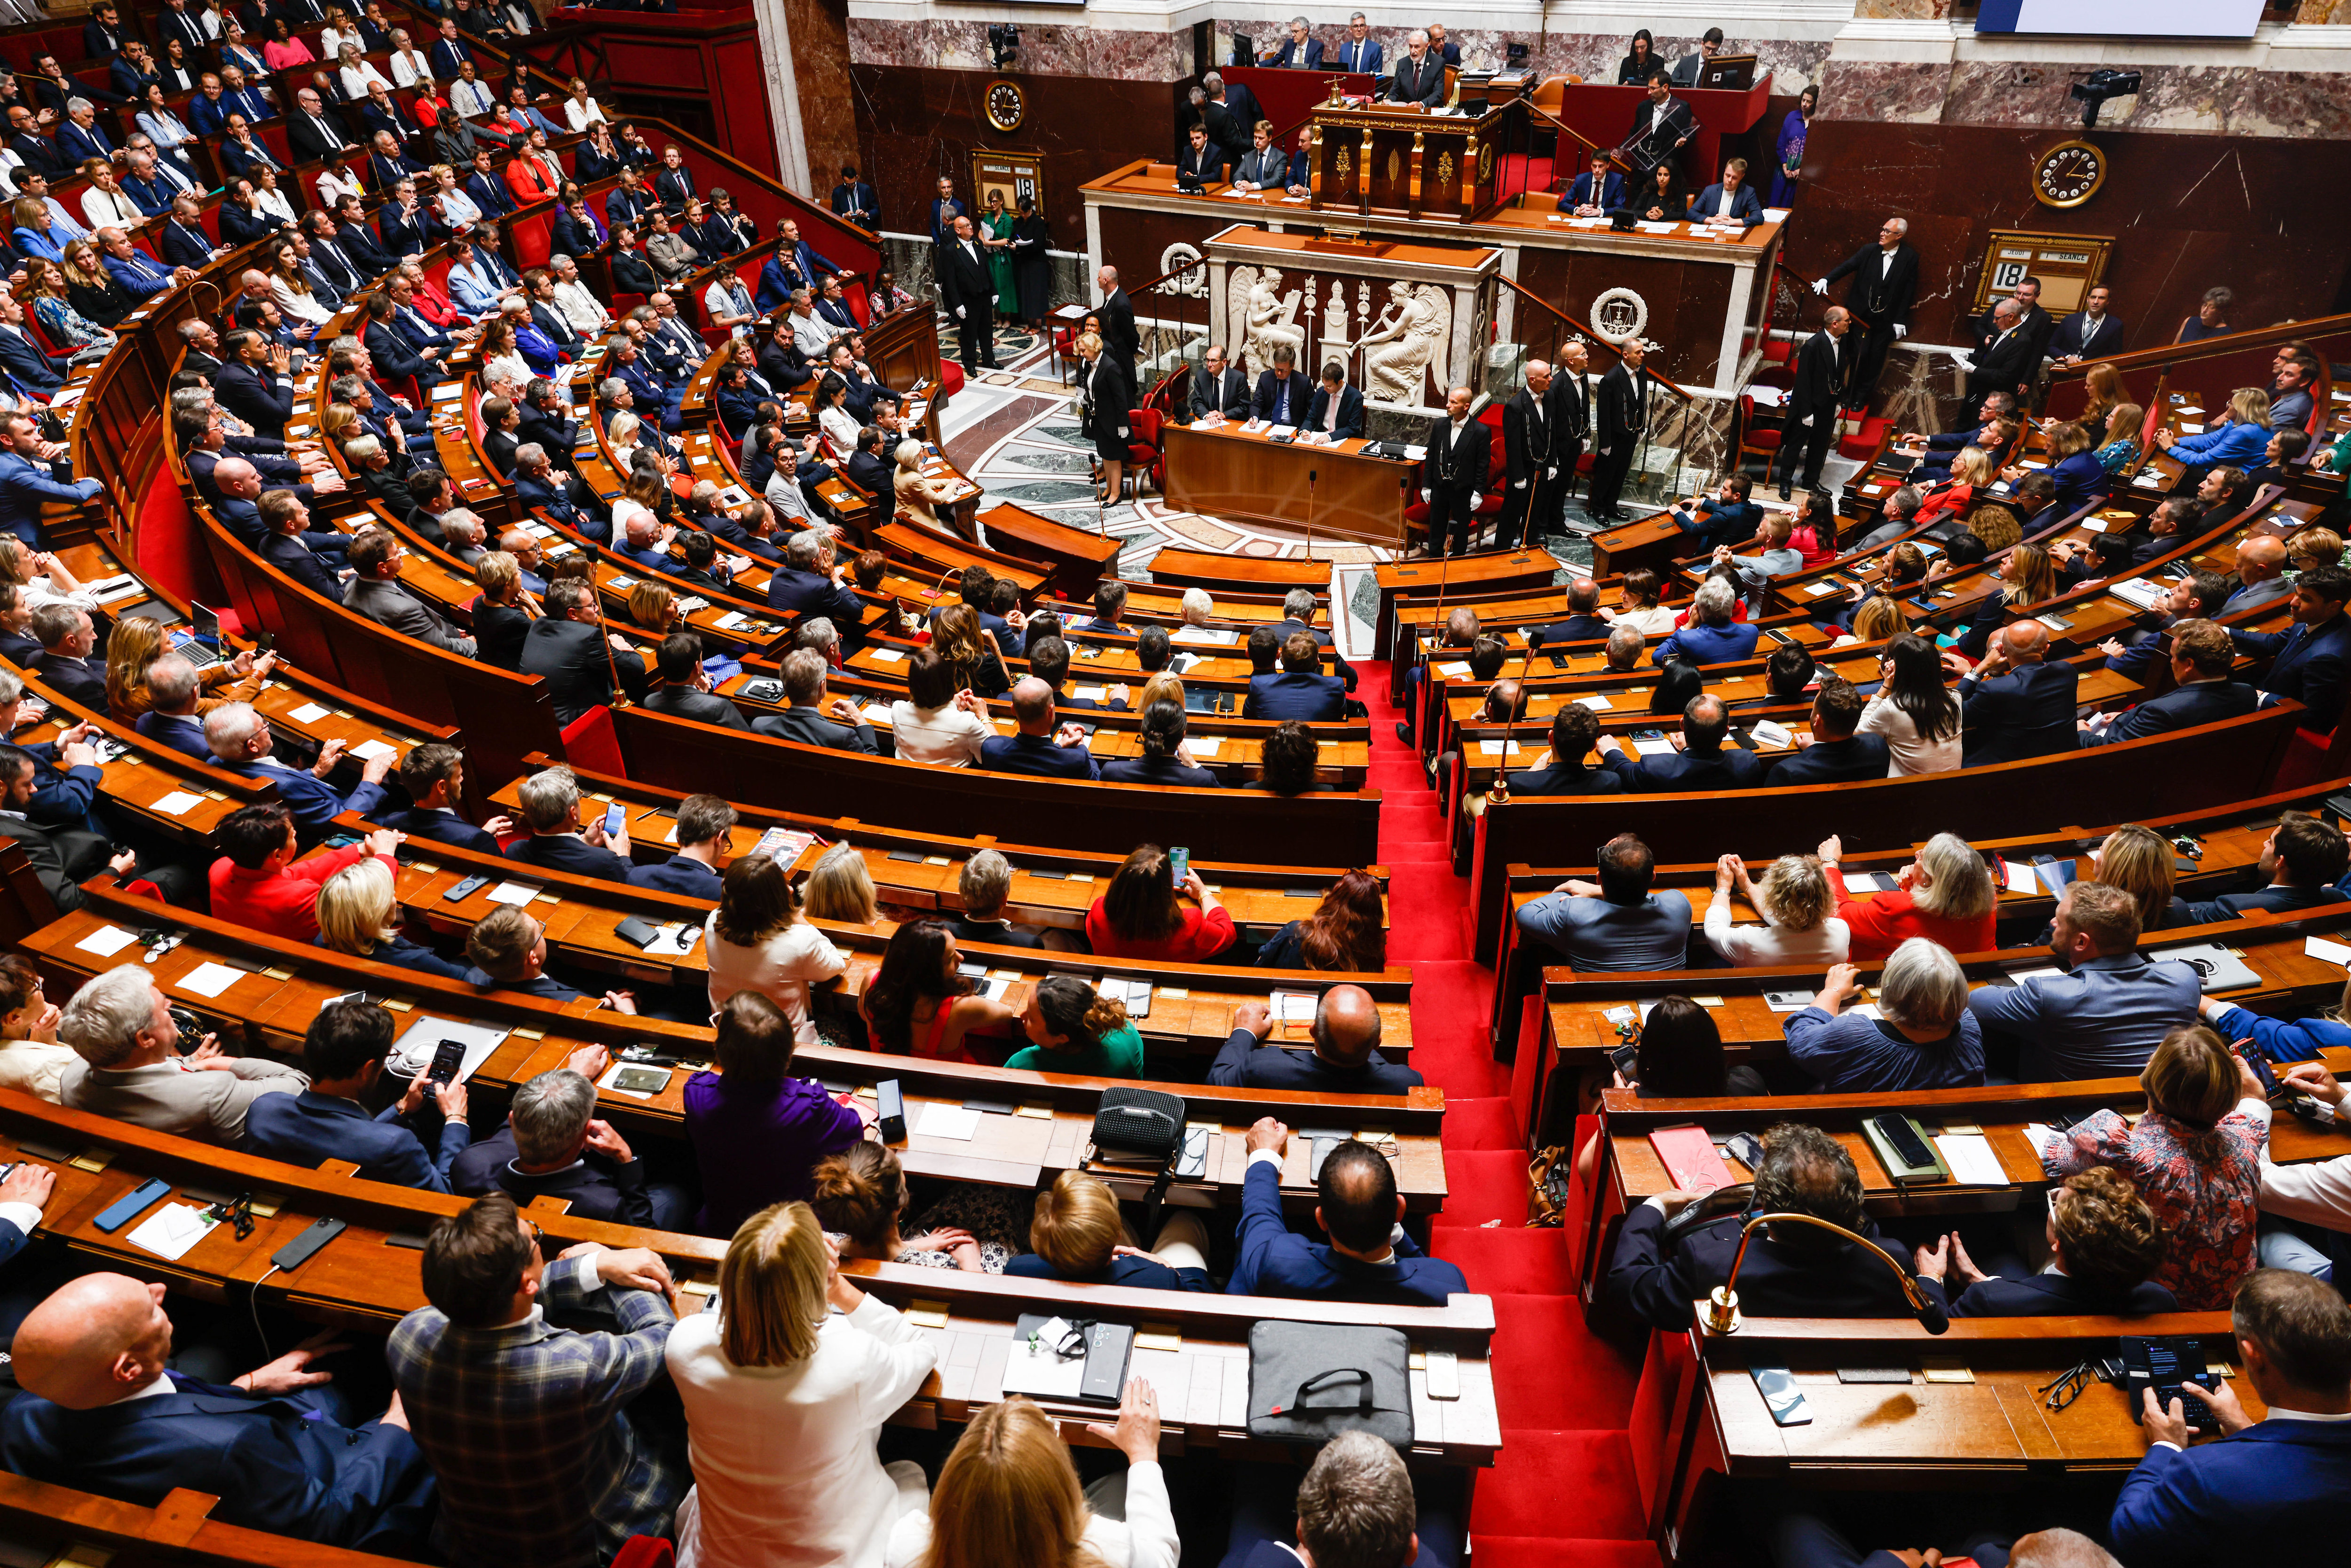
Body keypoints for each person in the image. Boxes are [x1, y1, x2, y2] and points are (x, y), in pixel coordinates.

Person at [0, 1272, 436, 1555]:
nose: (160, 1291)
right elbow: (331, 1520)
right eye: (150, 1308)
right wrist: (396, 1424)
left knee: (341, 1359)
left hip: (252, 1453)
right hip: (335, 1479)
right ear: (129, 1369)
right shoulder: (230, 1445)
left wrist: (248, 1383)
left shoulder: (24, 1412)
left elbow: (154, 1420)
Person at [390, 1194, 685, 1568]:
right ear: (527, 1282)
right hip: (580, 1542)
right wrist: (615, 1269)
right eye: (535, 1238)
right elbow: (662, 1335)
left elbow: (485, 1295)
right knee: (677, 1424)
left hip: (469, 1539)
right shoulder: (575, 1368)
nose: (537, 1240)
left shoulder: (409, 1336)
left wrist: (595, 1266)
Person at [665, 1199, 936, 1568]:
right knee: (915, 1470)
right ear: (814, 1286)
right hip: (832, 1554)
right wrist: (838, 1286)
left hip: (725, 1552)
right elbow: (920, 1348)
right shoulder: (849, 1360)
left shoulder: (685, 1345)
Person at [2108, 1269, 2351, 1566]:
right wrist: (2248, 1431)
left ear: (2253, 1356)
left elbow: (2127, 1537)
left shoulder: (2207, 1476)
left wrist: (2165, 1447)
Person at [1607, 1121, 1948, 1332]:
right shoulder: (1888, 1261)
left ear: (1766, 1205)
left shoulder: (1715, 1263)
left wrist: (1654, 1207)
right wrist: (1931, 1280)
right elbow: (1929, 1312)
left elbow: (1627, 1284)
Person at [2042, 1023, 2265, 1309]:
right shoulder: (2246, 1142)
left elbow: (2057, 1159)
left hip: (2149, 1304)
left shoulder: (2130, 1155)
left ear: (2151, 1078)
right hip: (2230, 1303)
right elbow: (2252, 1110)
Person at [884, 1390, 1175, 1568]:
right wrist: (1143, 1453)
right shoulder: (1110, 1551)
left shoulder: (905, 1547)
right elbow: (1162, 1558)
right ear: (1059, 1490)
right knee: (1123, 1483)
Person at [1969, 880, 2202, 1080]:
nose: (2052, 923)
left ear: (2082, 943)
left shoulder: (2049, 995)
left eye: (2060, 921)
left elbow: (1976, 1001)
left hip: (2071, 1114)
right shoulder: (2183, 978)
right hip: (2161, 1100)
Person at [1228, 1118, 1466, 1306]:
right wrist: (1382, 1214)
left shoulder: (1277, 1263)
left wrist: (1263, 1157)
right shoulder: (1446, 1285)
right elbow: (1419, 1270)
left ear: (1321, 1220)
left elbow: (1260, 1220)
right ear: (1400, 1209)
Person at [244, 994, 471, 1190]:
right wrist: (455, 1118)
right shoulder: (396, 1145)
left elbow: (355, 1136)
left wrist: (402, 1108)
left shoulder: (265, 1109)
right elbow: (446, 1193)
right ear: (367, 1069)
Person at [451, 1065, 692, 1231]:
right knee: (676, 1194)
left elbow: (518, 1125)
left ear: (513, 1120)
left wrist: (571, 1078)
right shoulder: (603, 1205)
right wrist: (625, 1159)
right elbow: (642, 1239)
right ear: (586, 1135)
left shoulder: (471, 1162)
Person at [1916, 1165, 2177, 1318]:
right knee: (2005, 1259)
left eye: (2055, 1205)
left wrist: (1931, 1277)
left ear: (2058, 1245)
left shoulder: (1988, 1301)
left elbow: (1938, 1335)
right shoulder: (2157, 1301)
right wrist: (1978, 1278)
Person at [1788, 938, 1984, 1091]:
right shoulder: (1968, 1023)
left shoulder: (1856, 1036)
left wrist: (1834, 991)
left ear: (1892, 988)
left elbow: (1801, 1037)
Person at [704, 852, 848, 1047]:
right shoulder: (799, 941)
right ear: (774, 900)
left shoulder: (713, 920)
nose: (790, 889)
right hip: (782, 1045)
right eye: (784, 887)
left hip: (730, 1036)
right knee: (843, 1028)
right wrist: (802, 922)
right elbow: (835, 966)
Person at [209, 801, 401, 943]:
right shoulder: (298, 898)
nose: (296, 836)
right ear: (277, 856)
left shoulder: (221, 867)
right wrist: (385, 855)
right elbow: (372, 904)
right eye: (293, 835)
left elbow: (288, 875)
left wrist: (357, 851)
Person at [1004, 1168, 1211, 1293]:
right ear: (1116, 1235)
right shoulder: (1160, 1279)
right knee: (1186, 1220)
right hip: (1167, 1280)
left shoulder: (1018, 1270)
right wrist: (1165, 1267)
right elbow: (1191, 1299)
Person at [1515, 832, 1691, 973]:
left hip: (1591, 1003)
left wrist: (1589, 890)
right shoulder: (1679, 905)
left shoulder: (1575, 912)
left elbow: (1525, 913)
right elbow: (1642, 892)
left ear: (1599, 879)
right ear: (1653, 877)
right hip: (1666, 1005)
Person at [1819, 830, 1996, 961]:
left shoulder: (1893, 908)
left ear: (1930, 879)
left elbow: (1837, 910)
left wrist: (1830, 862)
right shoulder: (1986, 902)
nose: (1916, 854)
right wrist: (1916, 888)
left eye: (1922, 858)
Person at [1211, 983, 1420, 1094]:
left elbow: (1217, 1080)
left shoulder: (1262, 1067)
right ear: (1378, 1043)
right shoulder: (1407, 1085)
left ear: (1312, 1032)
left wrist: (1244, 1032)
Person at [2081, 618, 2257, 747]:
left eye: (2173, 657)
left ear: (2189, 665)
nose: (2171, 662)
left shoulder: (2162, 712)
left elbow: (2108, 749)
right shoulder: (2247, 693)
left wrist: (2083, 733)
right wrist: (2127, 718)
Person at [2231, 562, 2351, 733]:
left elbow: (2313, 717)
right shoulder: (2320, 618)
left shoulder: (2328, 657)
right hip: (2271, 689)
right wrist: (2222, 630)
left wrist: (2261, 698)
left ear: (2333, 605)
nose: (2293, 603)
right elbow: (2272, 643)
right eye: (2297, 594)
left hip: (2278, 721)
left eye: (2306, 599)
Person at [1813, 218, 1917, 410]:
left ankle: (1861, 397)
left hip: (1885, 321)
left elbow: (1908, 291)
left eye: (1888, 231)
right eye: (1883, 229)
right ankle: (1849, 394)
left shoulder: (1909, 257)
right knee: (1858, 355)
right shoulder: (1869, 251)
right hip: (1860, 317)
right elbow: (1847, 266)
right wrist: (1826, 280)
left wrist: (1900, 320)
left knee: (1875, 360)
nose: (1882, 233)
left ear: (1899, 236)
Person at [2182, 810, 2350, 923]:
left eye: (2270, 843)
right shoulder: (2337, 898)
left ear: (2281, 862)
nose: (2264, 844)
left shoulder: (2235, 907)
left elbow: (2182, 917)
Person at [1956, 620, 2078, 765]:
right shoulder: (2067, 671)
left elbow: (1953, 714)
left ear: (2003, 651)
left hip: (2004, 768)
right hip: (2060, 762)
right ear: (2047, 648)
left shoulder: (1994, 689)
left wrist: (1980, 668)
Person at [1088, 844, 1237, 961]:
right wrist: (1203, 894)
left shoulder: (1098, 912)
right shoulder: (1190, 924)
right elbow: (1227, 933)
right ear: (1166, 888)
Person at [1704, 852, 1849, 966]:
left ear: (1772, 899)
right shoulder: (1841, 930)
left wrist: (1723, 887)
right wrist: (1747, 885)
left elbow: (1713, 930)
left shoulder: (1750, 940)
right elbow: (1790, 921)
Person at [1601, 692, 1764, 792]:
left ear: (1682, 725)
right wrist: (1688, 749)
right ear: (1726, 731)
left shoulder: (1655, 767)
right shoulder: (1747, 762)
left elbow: (1623, 771)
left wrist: (1611, 750)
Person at [503, 764, 633, 882]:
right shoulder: (606, 861)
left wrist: (585, 844)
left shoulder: (516, 851)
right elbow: (632, 889)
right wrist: (623, 856)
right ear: (573, 813)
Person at [1854, 631, 1961, 775]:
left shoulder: (1893, 709)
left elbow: (1859, 732)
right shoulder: (1955, 697)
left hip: (1907, 790)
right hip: (1952, 785)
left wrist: (1885, 687)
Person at [1001, 974, 1146, 1077]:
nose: (1021, 1016)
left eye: (1032, 1018)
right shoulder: (1126, 1032)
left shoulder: (1022, 1065)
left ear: (1062, 1038)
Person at [1771, 676, 1892, 785]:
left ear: (1817, 720)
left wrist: (1814, 752)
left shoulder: (1787, 772)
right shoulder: (1878, 746)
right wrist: (1815, 750)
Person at [1506, 704, 1625, 796]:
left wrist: (1531, 776)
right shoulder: (1610, 782)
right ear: (1593, 747)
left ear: (1551, 737)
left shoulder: (1519, 783)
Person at [1770, 85, 1814, 206]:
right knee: (1775, 203)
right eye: (1803, 100)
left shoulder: (1818, 122)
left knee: (1794, 206)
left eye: (1809, 102)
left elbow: (1818, 153)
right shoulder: (1792, 117)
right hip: (1784, 170)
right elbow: (1781, 144)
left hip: (1803, 174)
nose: (1804, 104)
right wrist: (1784, 165)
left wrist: (1802, 170)